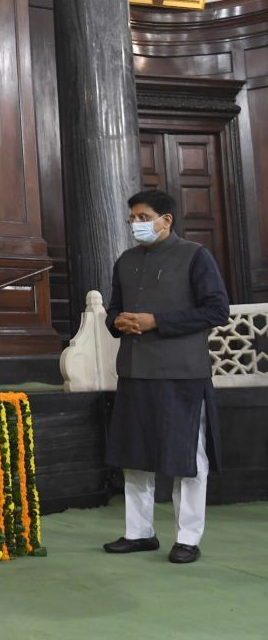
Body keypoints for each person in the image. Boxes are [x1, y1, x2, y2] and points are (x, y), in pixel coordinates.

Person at [103, 189, 229, 564]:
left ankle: (187, 538)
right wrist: (118, 321)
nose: (136, 225)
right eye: (132, 219)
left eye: (143, 217)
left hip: (182, 374)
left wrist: (157, 321)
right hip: (135, 371)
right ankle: (139, 533)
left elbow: (217, 310)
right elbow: (112, 311)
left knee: (188, 458)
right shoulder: (125, 260)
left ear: (166, 219)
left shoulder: (195, 256)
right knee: (135, 456)